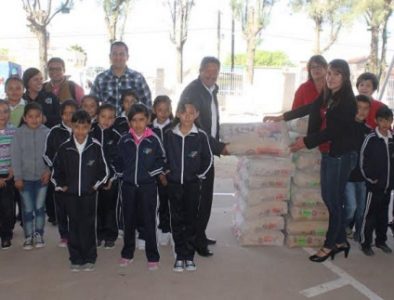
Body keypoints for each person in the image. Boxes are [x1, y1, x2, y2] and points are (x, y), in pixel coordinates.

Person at [265, 59, 358, 262]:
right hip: (328, 152)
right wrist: (282, 117)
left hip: (341, 155)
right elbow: (308, 108)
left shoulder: (348, 102)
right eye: (330, 73)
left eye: (336, 74)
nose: (331, 78)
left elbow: (333, 131)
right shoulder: (328, 95)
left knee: (334, 201)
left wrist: (305, 142)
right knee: (329, 197)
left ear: (345, 77)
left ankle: (330, 245)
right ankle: (341, 240)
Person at [179, 56, 228, 257]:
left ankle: (200, 234)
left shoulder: (211, 90)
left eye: (215, 70)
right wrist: (219, 147)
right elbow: (196, 126)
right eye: (208, 70)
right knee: (199, 199)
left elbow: (212, 122)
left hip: (206, 150)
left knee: (205, 197)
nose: (211, 74)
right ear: (200, 71)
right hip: (196, 153)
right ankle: (196, 241)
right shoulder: (193, 92)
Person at [51, 110, 109, 272]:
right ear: (71, 127)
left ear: (90, 127)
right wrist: (61, 185)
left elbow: (104, 172)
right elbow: (56, 171)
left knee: (88, 226)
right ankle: (75, 258)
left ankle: (90, 257)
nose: (80, 131)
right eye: (77, 127)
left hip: (89, 195)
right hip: (70, 195)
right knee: (73, 226)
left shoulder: (95, 146)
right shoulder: (65, 148)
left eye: (84, 127)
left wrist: (95, 186)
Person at [115, 103, 165, 271]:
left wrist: (151, 173)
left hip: (148, 187)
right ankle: (127, 253)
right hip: (128, 187)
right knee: (128, 220)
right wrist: (123, 175)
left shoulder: (153, 139)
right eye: (134, 120)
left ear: (148, 120)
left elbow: (161, 158)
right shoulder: (124, 140)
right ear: (129, 122)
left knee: (149, 221)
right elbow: (117, 160)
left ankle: (152, 255)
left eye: (141, 120)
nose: (138, 124)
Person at [164, 101, 213, 272]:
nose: (187, 116)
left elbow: (208, 159)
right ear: (177, 114)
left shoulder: (200, 136)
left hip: (192, 185)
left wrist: (199, 175)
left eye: (191, 113)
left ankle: (189, 256)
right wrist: (166, 171)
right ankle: (179, 255)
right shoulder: (169, 135)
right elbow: (162, 155)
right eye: (183, 113)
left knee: (191, 220)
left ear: (197, 115)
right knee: (176, 219)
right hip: (174, 184)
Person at [11, 102, 51, 250]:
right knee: (27, 209)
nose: (34, 119)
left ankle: (39, 234)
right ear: (24, 118)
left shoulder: (47, 132)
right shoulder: (18, 134)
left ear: (42, 117)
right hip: (24, 180)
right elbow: (15, 156)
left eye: (37, 116)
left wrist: (48, 170)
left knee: (40, 208)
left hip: (42, 178)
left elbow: (50, 155)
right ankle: (28, 236)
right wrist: (18, 177)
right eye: (31, 117)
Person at [43, 99, 78, 247]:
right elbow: (47, 154)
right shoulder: (55, 131)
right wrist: (56, 170)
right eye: (66, 114)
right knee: (62, 208)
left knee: (77, 207)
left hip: (78, 177)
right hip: (60, 178)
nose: (69, 117)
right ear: (61, 115)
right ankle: (64, 235)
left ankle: (78, 233)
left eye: (72, 113)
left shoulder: (83, 129)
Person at [360, 106, 394, 256]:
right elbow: (362, 161)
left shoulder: (393, 139)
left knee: (383, 215)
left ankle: (381, 241)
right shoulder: (371, 138)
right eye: (382, 121)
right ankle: (365, 243)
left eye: (388, 121)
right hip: (373, 187)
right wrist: (370, 178)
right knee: (370, 216)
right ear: (376, 121)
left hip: (388, 187)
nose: (385, 124)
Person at [90, 41, 152, 115]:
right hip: (107, 125)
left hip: (131, 125)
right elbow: (92, 104)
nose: (118, 57)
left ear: (127, 57)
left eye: (121, 54)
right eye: (115, 54)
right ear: (110, 56)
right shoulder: (100, 79)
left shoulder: (137, 78)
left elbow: (147, 104)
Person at [90, 103, 121, 249]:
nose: (106, 120)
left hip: (111, 180)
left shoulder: (116, 136)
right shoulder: (89, 133)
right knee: (95, 208)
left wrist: (112, 178)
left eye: (110, 117)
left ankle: (110, 235)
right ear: (97, 117)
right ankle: (97, 234)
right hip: (93, 180)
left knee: (110, 208)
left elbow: (119, 160)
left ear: (115, 119)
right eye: (103, 116)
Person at [344, 95, 372, 242]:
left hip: (363, 178)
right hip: (347, 177)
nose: (361, 111)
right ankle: (342, 227)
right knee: (351, 208)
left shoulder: (370, 131)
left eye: (365, 108)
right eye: (358, 107)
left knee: (361, 211)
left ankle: (358, 234)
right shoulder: (345, 126)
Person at [150, 95, 174, 246]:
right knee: (151, 202)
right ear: (154, 110)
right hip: (153, 172)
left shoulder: (174, 128)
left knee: (167, 201)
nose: (163, 113)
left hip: (170, 172)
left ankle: (166, 229)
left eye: (166, 110)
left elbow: (175, 152)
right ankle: (149, 231)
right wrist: (158, 172)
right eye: (160, 110)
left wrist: (167, 171)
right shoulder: (149, 129)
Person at [0, 101, 16, 249]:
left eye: (5, 111)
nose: (2, 115)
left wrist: (13, 167)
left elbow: (16, 151)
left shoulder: (13, 131)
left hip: (9, 174)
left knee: (8, 206)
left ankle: (6, 235)